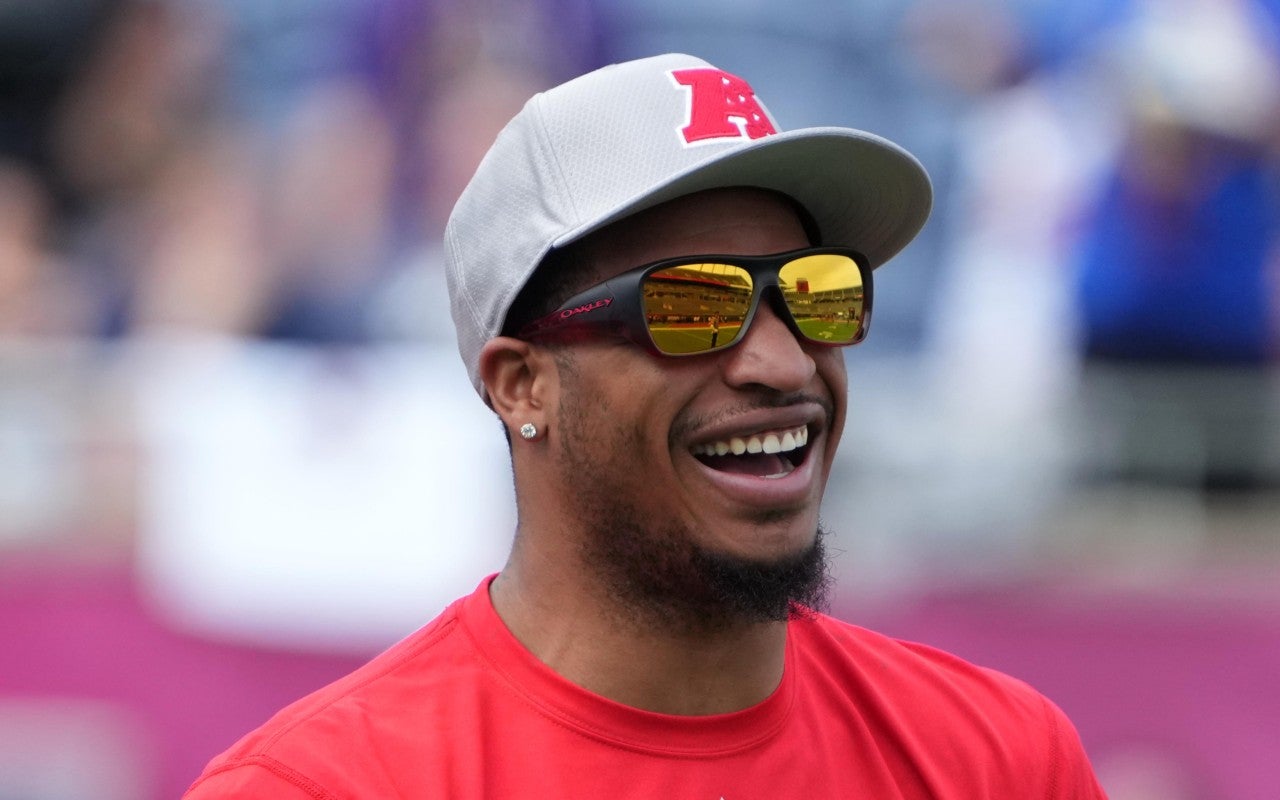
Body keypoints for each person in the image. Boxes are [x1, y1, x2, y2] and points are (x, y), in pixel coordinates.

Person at [183, 53, 1107, 798]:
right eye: (693, 304)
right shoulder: (322, 787)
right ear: (522, 387)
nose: (785, 364)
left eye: (816, 293)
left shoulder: (1000, 762)